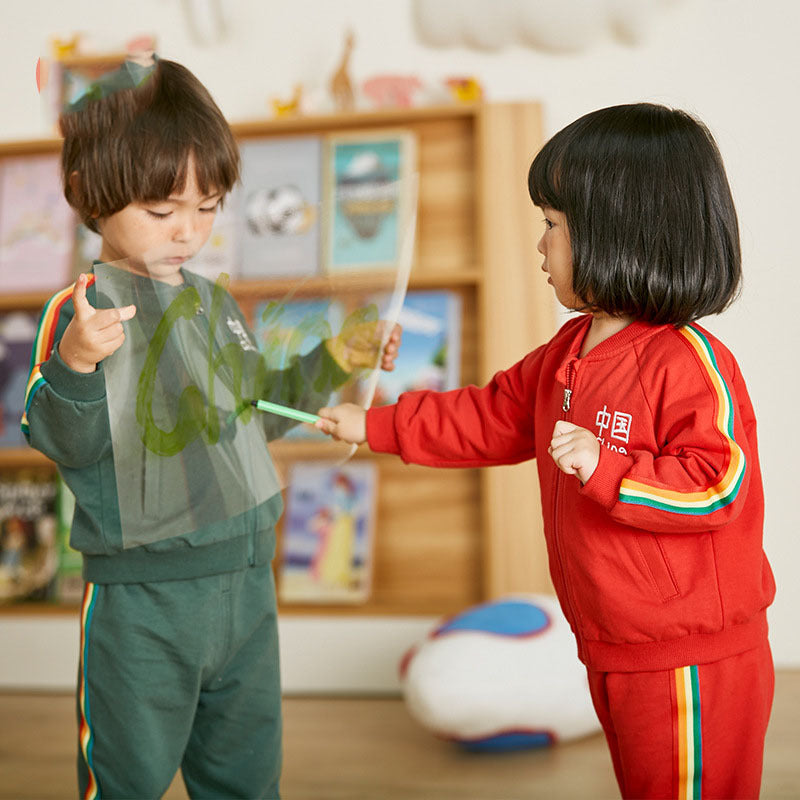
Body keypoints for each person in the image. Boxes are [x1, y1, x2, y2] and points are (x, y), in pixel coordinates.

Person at [317, 103, 776, 800]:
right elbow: (491, 415)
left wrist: (606, 467)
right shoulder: (569, 351)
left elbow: (719, 486)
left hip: (688, 656)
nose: (540, 246)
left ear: (619, 233)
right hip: (611, 643)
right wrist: (375, 426)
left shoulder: (689, 362)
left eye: (553, 227)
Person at [22, 55, 400, 799]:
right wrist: (75, 364)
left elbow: (253, 414)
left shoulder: (215, 304)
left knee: (247, 773)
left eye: (208, 207)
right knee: (125, 776)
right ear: (87, 194)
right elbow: (60, 439)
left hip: (246, 585)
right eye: (163, 212)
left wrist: (335, 359)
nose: (188, 232)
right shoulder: (83, 310)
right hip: (145, 605)